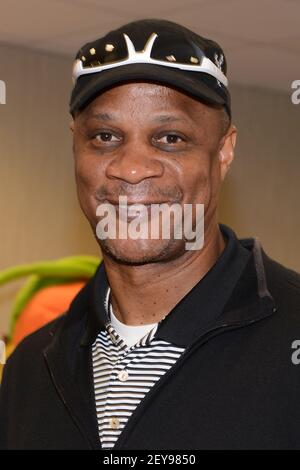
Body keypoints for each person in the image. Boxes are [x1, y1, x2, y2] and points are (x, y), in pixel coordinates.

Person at [0, 18, 299, 451]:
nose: (132, 167)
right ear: (75, 147)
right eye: (105, 136)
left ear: (224, 151)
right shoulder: (31, 369)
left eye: (170, 138)